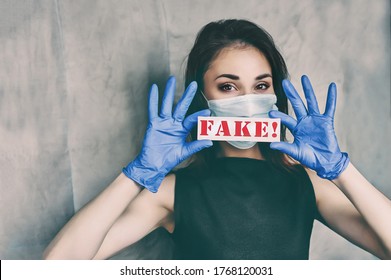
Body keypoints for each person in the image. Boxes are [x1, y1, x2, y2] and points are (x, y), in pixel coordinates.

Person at [43, 19, 391, 260]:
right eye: (228, 86)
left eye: (261, 85)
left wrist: (341, 170)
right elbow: (56, 267)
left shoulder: (306, 183)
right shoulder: (171, 191)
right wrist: (137, 173)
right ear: (202, 99)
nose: (247, 100)